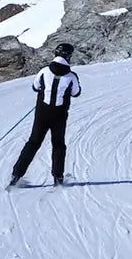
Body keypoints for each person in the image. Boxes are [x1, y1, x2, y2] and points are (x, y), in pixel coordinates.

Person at [9, 42, 81, 188]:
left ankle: (16, 175)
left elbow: (36, 87)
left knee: (33, 143)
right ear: (69, 57)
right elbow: (76, 93)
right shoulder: (71, 76)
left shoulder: (44, 71)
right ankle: (58, 178)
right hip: (59, 115)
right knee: (58, 145)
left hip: (42, 113)